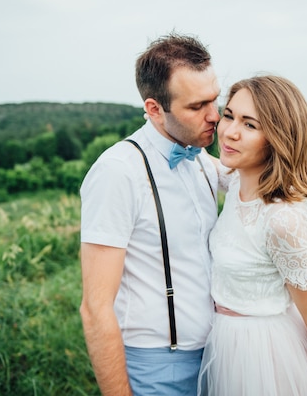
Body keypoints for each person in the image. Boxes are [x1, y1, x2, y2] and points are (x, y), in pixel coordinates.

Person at [79, 33, 221, 396]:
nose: (215, 116)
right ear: (155, 109)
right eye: (197, 106)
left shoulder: (199, 156)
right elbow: (95, 309)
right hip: (158, 369)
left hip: (219, 357)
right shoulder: (117, 172)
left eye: (215, 99)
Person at [198, 75, 307, 395]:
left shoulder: (283, 220)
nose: (230, 132)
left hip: (264, 355)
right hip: (225, 341)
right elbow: (204, 162)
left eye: (250, 125)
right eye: (229, 115)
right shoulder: (238, 178)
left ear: (278, 137)